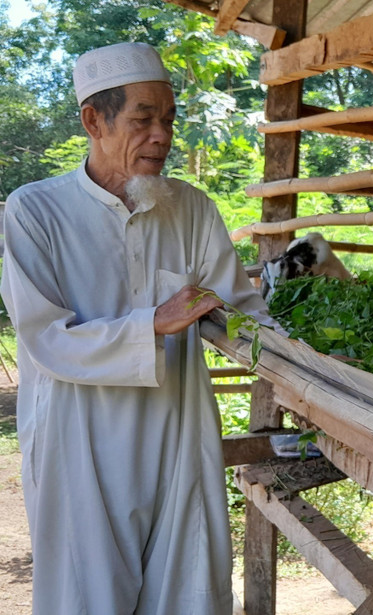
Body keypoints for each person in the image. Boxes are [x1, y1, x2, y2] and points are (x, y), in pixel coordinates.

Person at [0, 42, 270, 614]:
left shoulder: (192, 208)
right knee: (86, 593)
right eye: (143, 120)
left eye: (168, 120)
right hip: (80, 435)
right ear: (94, 121)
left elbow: (241, 309)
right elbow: (45, 334)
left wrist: (311, 361)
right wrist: (154, 322)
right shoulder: (34, 211)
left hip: (178, 424)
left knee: (186, 586)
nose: (162, 136)